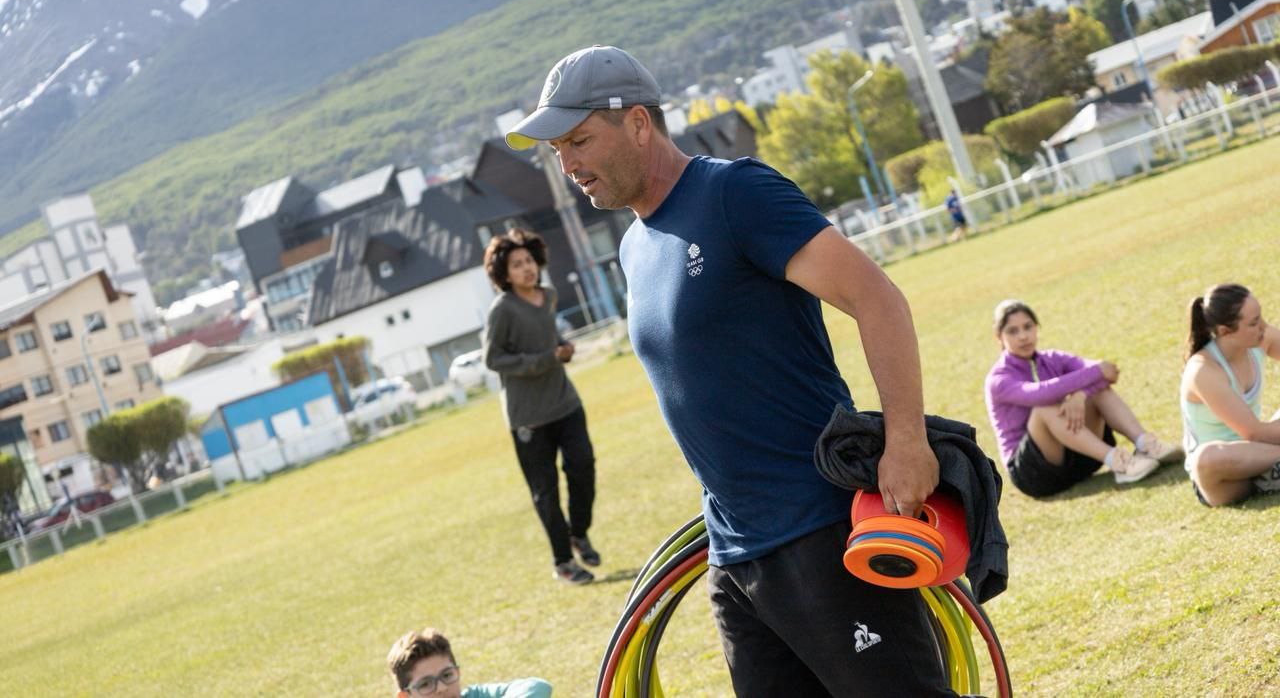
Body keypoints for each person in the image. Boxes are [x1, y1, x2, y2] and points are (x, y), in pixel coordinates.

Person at [507, 44, 954, 696]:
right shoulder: (634, 246)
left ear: (638, 123)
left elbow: (876, 299)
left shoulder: (735, 193)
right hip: (735, 557)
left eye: (579, 141)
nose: (569, 165)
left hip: (820, 529)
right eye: (557, 151)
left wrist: (908, 442)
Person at [482, 228, 600, 585]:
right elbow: (493, 358)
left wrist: (562, 347)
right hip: (528, 417)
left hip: (566, 403)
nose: (526, 269)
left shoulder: (548, 296)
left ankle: (578, 533)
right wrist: (545, 359)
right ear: (503, 273)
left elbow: (548, 338)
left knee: (583, 467)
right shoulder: (502, 310)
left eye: (529, 261)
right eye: (517, 265)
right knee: (545, 492)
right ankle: (563, 561)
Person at [984, 299, 1182, 498]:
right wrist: (1096, 373)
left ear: (1037, 327)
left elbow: (1109, 373)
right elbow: (1041, 393)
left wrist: (1081, 395)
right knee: (1044, 409)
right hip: (1034, 474)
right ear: (998, 337)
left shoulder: (1053, 358)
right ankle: (1118, 461)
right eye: (1013, 331)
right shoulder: (998, 379)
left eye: (1028, 327)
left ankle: (1145, 444)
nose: (1023, 336)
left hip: (1080, 457)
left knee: (1097, 391)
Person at [1180, 283, 1280, 507]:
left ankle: (1272, 473)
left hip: (1263, 452)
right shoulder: (1203, 370)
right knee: (1206, 458)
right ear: (1225, 331)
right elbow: (1255, 433)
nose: (1264, 326)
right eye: (1254, 323)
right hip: (1223, 476)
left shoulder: (1258, 338)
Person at [387, 628, 552, 697]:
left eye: (447, 675)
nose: (442, 688)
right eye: (425, 684)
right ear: (405, 696)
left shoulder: (474, 695)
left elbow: (538, 686)